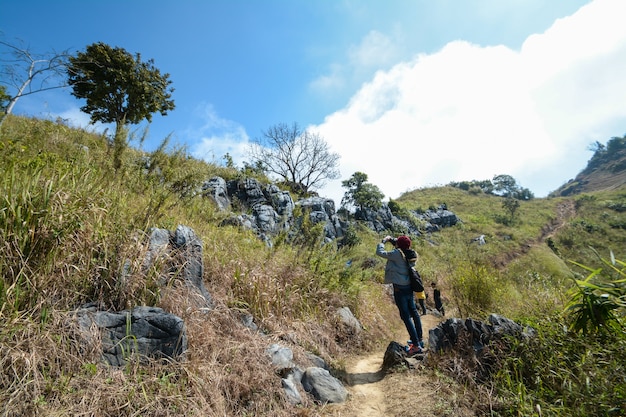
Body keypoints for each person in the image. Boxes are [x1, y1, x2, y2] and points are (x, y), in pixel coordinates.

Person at [376, 234, 424, 355]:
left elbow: (380, 253)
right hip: (409, 286)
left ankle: (416, 346)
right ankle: (419, 339)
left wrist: (383, 241)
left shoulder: (397, 254)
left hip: (399, 289)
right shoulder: (410, 253)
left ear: (399, 245)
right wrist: (394, 240)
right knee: (414, 312)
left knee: (405, 316)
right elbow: (400, 245)